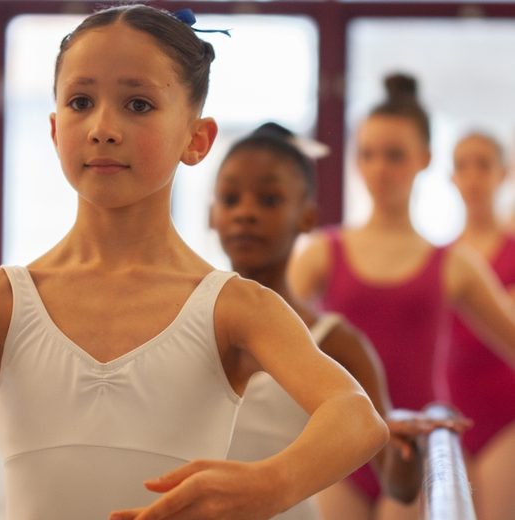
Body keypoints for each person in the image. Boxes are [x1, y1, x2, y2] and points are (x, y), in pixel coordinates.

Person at [0, 6, 388, 520]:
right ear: (55, 130)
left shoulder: (235, 308)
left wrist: (270, 485)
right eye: (81, 102)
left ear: (197, 138)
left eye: (138, 104)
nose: (103, 128)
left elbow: (356, 418)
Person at [288, 74, 515, 520]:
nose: (379, 169)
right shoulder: (322, 253)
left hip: (417, 447)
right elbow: (265, 338)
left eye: (394, 155)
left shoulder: (454, 262)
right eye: (367, 154)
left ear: (424, 158)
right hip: (343, 442)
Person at [211, 122, 462, 520]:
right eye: (230, 199)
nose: (246, 213)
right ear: (211, 215)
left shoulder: (335, 341)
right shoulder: (186, 320)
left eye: (269, 200)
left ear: (307, 216)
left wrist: (405, 448)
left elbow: (397, 484)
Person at [447, 132, 515, 519]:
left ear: (503, 173)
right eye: (463, 165)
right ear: (452, 176)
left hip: (506, 413)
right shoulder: (440, 257)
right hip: (453, 411)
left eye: (483, 165)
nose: (473, 176)